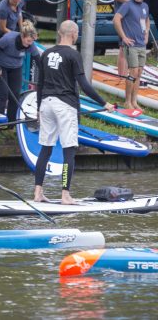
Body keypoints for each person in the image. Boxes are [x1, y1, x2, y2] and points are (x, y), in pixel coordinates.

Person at [34, 20, 115, 204]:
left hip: (46, 103)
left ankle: (38, 192)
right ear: (73, 34)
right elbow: (84, 85)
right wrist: (105, 103)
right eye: (77, 33)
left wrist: (39, 108)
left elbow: (39, 85)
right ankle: (65, 195)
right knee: (68, 151)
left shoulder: (46, 53)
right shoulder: (73, 54)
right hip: (65, 105)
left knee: (45, 149)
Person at [0, 20, 41, 123]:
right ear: (22, 36)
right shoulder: (9, 39)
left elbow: (38, 61)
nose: (30, 44)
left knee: (15, 95)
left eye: (32, 41)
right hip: (1, 66)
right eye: (28, 41)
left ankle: (11, 124)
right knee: (3, 94)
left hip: (16, 68)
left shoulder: (31, 44)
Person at [113, 0, 150, 110]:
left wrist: (146, 35)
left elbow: (146, 20)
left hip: (141, 44)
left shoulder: (145, 6)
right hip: (131, 44)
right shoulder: (127, 5)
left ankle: (134, 101)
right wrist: (123, 37)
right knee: (133, 72)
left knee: (139, 73)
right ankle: (127, 101)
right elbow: (116, 19)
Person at [113, 0, 140, 76]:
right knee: (124, 47)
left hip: (132, 15)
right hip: (123, 15)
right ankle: (122, 77)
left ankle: (128, 74)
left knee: (131, 47)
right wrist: (130, 1)